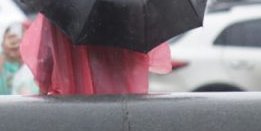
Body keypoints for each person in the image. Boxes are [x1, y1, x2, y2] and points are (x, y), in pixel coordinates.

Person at [19, 13, 171, 95]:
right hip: (125, 110)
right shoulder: (133, 2)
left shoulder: (58, 2)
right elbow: (148, 51)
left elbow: (44, 68)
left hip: (74, 111)